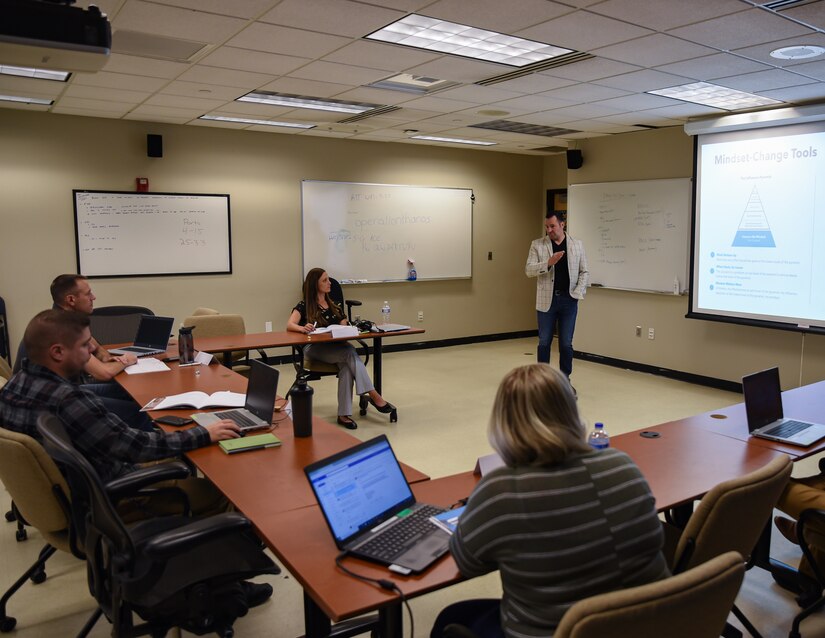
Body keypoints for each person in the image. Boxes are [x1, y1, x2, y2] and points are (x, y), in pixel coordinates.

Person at [0, 309, 274, 607]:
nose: (92, 350)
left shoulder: (14, 387)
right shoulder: (68, 400)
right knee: (220, 489)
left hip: (71, 501)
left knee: (174, 453)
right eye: (84, 345)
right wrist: (203, 434)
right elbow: (133, 446)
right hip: (111, 501)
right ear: (57, 352)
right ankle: (221, 587)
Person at [431, 364, 668, 638]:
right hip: (649, 624)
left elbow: (468, 563)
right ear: (571, 411)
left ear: (505, 421)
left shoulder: (502, 491)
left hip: (557, 631)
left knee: (451, 618)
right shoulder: (622, 464)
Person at [14, 274, 154, 431]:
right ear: (71, 300)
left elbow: (99, 351)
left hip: (54, 390)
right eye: (88, 293)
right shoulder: (63, 329)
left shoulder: (64, 319)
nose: (93, 297)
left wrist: (106, 357)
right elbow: (103, 373)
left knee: (126, 391)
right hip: (49, 399)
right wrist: (127, 360)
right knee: (137, 411)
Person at [286, 268, 395, 429]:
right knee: (350, 353)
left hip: (337, 348)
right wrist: (303, 328)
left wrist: (344, 327)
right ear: (314, 284)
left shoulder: (334, 305)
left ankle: (343, 415)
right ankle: (372, 393)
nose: (330, 283)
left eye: (328, 279)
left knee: (346, 366)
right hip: (315, 349)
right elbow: (290, 325)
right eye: (325, 280)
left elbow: (343, 324)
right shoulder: (304, 306)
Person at [525, 212, 588, 388]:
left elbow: (584, 271)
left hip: (569, 301)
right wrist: (548, 263)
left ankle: (564, 380)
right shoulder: (537, 245)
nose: (549, 230)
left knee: (566, 344)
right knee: (544, 342)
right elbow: (529, 270)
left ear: (562, 225)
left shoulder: (576, 245)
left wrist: (577, 292)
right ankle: (542, 381)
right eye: (547, 227)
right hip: (547, 302)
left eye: (552, 226)